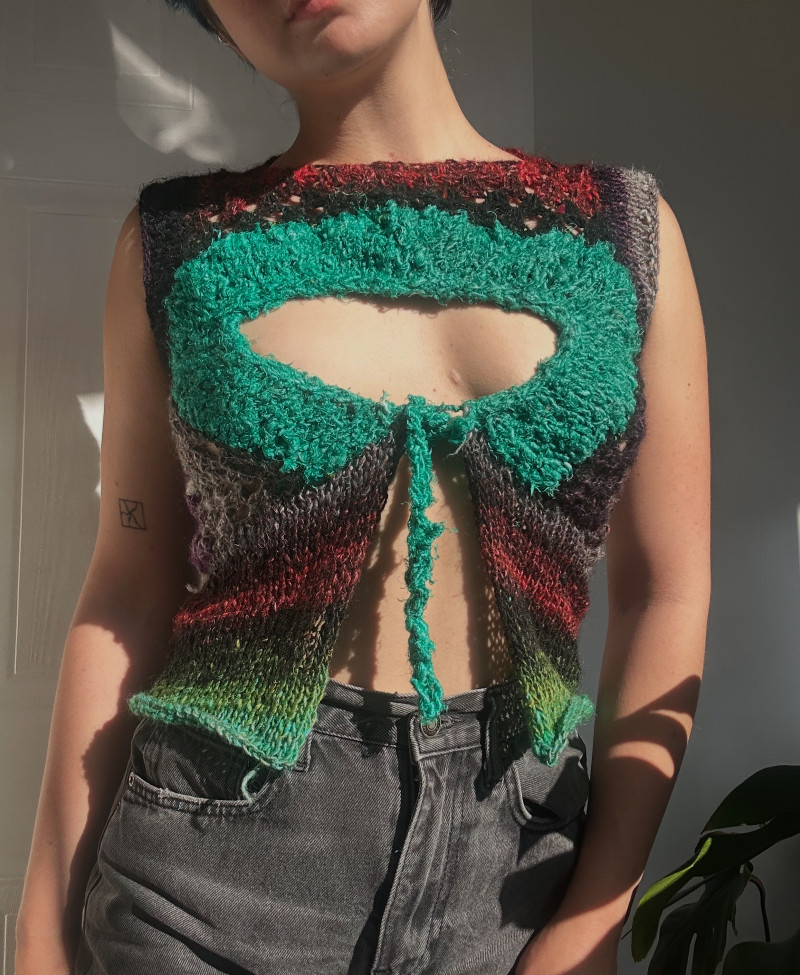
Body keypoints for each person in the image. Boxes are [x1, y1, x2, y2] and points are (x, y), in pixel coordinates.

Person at [14, 1, 711, 974]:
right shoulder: (176, 241)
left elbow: (664, 591)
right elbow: (127, 589)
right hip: (205, 869)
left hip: (514, 871)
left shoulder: (623, 232)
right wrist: (39, 929)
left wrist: (596, 913)